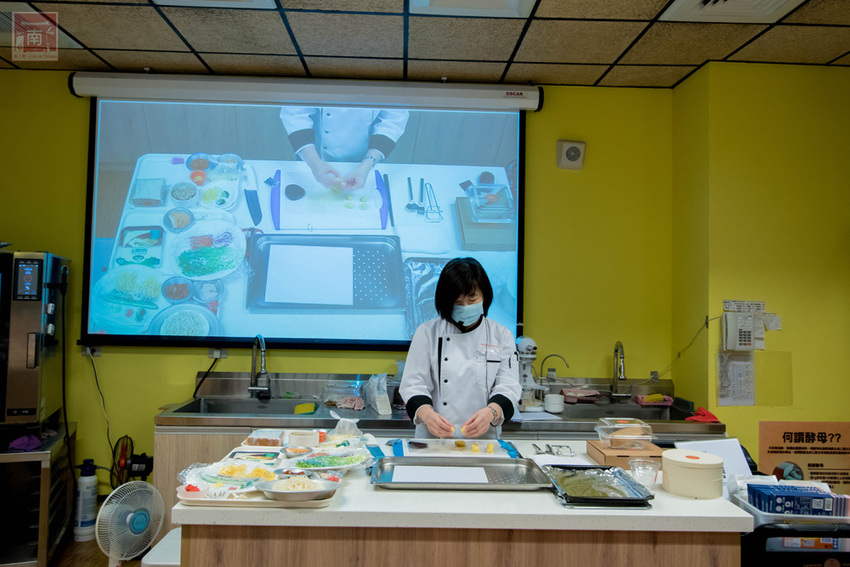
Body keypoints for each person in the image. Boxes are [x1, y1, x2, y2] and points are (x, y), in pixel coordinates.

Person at [399, 257, 520, 439]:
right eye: (457, 302)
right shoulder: (427, 332)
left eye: (472, 300)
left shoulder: (501, 335)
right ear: (445, 302)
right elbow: (413, 385)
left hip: (483, 440)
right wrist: (427, 415)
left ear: (484, 296)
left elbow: (508, 386)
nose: (465, 307)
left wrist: (491, 413)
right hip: (433, 439)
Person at [280, 106, 409, 190]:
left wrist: (367, 164)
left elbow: (393, 119)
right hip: (313, 156)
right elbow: (295, 113)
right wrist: (314, 162)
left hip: (369, 159)